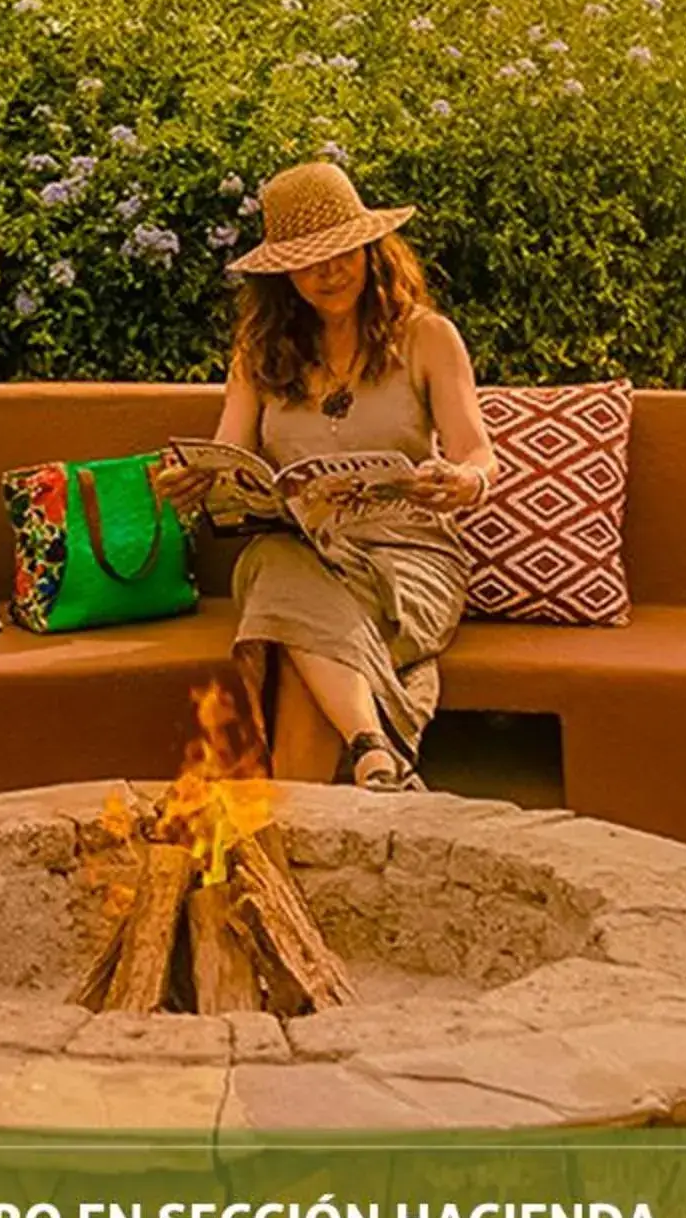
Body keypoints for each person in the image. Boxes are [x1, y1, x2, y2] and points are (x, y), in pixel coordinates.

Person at [153, 163, 499, 792]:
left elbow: (479, 452)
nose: (329, 272)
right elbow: (229, 454)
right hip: (305, 551)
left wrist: (465, 481)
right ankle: (372, 753)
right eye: (309, 261)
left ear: (371, 248)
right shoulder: (259, 354)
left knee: (291, 638)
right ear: (282, 272)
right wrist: (196, 478)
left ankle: (336, 791)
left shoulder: (427, 338)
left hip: (406, 557)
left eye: (343, 253)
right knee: (273, 564)